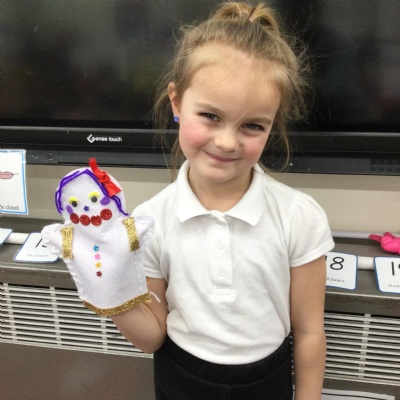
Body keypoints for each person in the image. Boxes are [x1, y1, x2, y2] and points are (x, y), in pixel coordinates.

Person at [111, 2, 335, 399]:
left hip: (267, 381)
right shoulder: (149, 220)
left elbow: (309, 332)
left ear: (273, 125)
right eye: (211, 116)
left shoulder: (299, 216)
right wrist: (110, 290)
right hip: (180, 377)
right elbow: (150, 337)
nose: (228, 142)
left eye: (252, 125)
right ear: (176, 102)